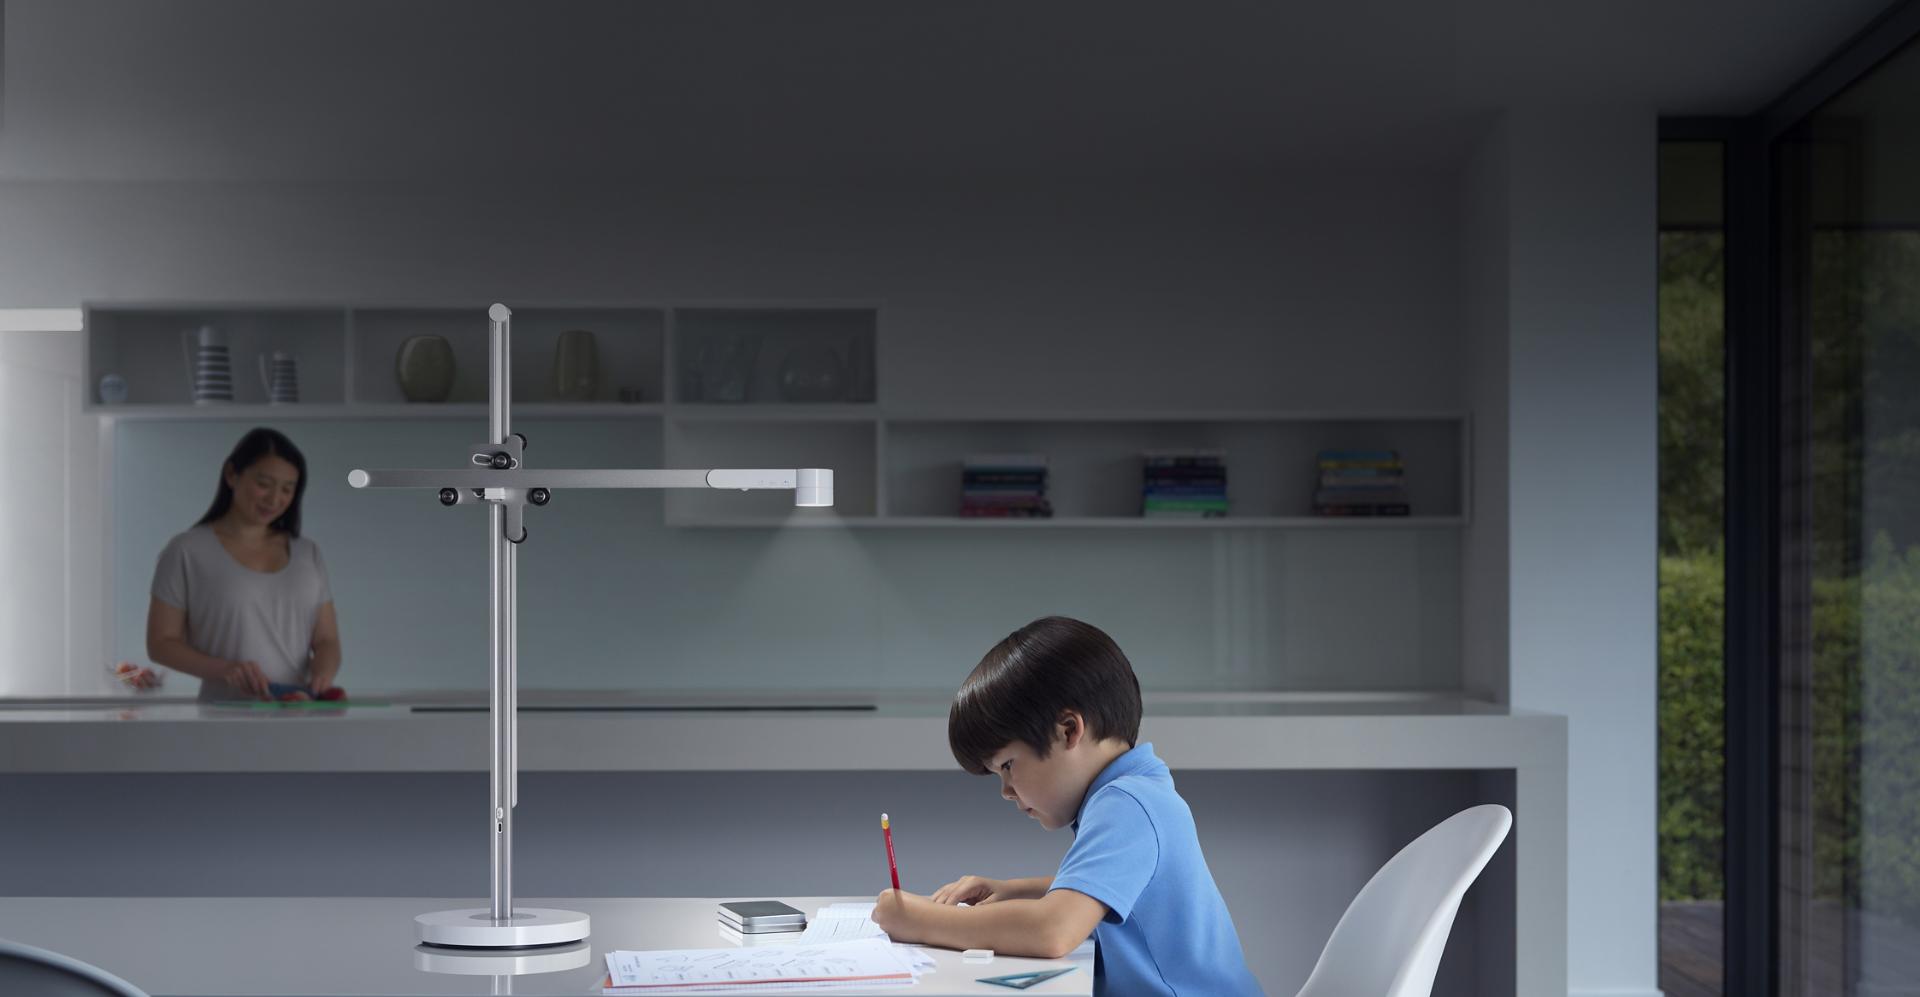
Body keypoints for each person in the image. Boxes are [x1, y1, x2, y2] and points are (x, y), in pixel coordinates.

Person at [871, 616, 1261, 996]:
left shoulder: (1127, 804)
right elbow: (1106, 894)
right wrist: (1013, 890)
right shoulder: (1137, 792)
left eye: (1008, 766)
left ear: (1069, 730)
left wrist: (917, 920)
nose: (1006, 791)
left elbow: (1053, 930)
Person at [145, 428, 342, 701]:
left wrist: (323, 673)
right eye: (264, 484)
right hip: (225, 718)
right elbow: (161, 644)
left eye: (287, 489)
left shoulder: (308, 553)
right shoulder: (186, 551)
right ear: (231, 474)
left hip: (300, 713)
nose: (274, 500)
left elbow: (326, 640)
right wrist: (226, 669)